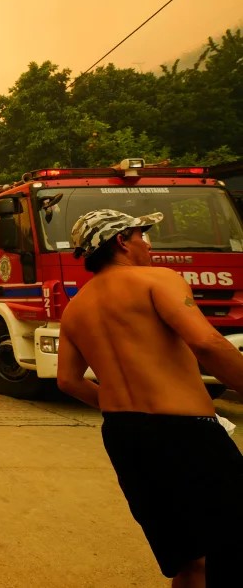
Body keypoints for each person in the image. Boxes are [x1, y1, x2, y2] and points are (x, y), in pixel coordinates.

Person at [58, 209, 243, 588]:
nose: (148, 243)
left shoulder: (75, 308)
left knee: (189, 559)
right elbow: (207, 343)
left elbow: (68, 380)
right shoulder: (158, 280)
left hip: (124, 436)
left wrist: (121, 408)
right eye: (143, 234)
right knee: (227, 546)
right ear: (121, 240)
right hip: (187, 434)